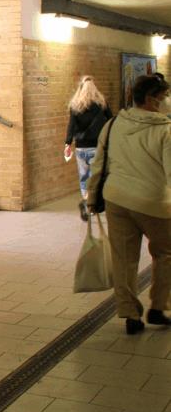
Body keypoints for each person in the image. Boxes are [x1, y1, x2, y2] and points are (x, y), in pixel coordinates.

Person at [87, 74, 171, 335]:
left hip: (117, 200)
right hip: (154, 203)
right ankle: (158, 308)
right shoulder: (166, 130)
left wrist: (92, 196)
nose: (166, 101)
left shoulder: (113, 124)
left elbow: (98, 163)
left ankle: (130, 315)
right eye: (164, 96)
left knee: (123, 259)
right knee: (165, 254)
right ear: (151, 99)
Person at [64, 76, 112, 221]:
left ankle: (86, 201)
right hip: (97, 146)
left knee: (84, 176)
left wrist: (67, 143)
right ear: (94, 88)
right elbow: (111, 120)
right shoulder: (101, 104)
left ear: (81, 88)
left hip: (81, 147)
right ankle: (91, 204)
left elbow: (71, 125)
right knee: (96, 176)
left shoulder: (75, 105)